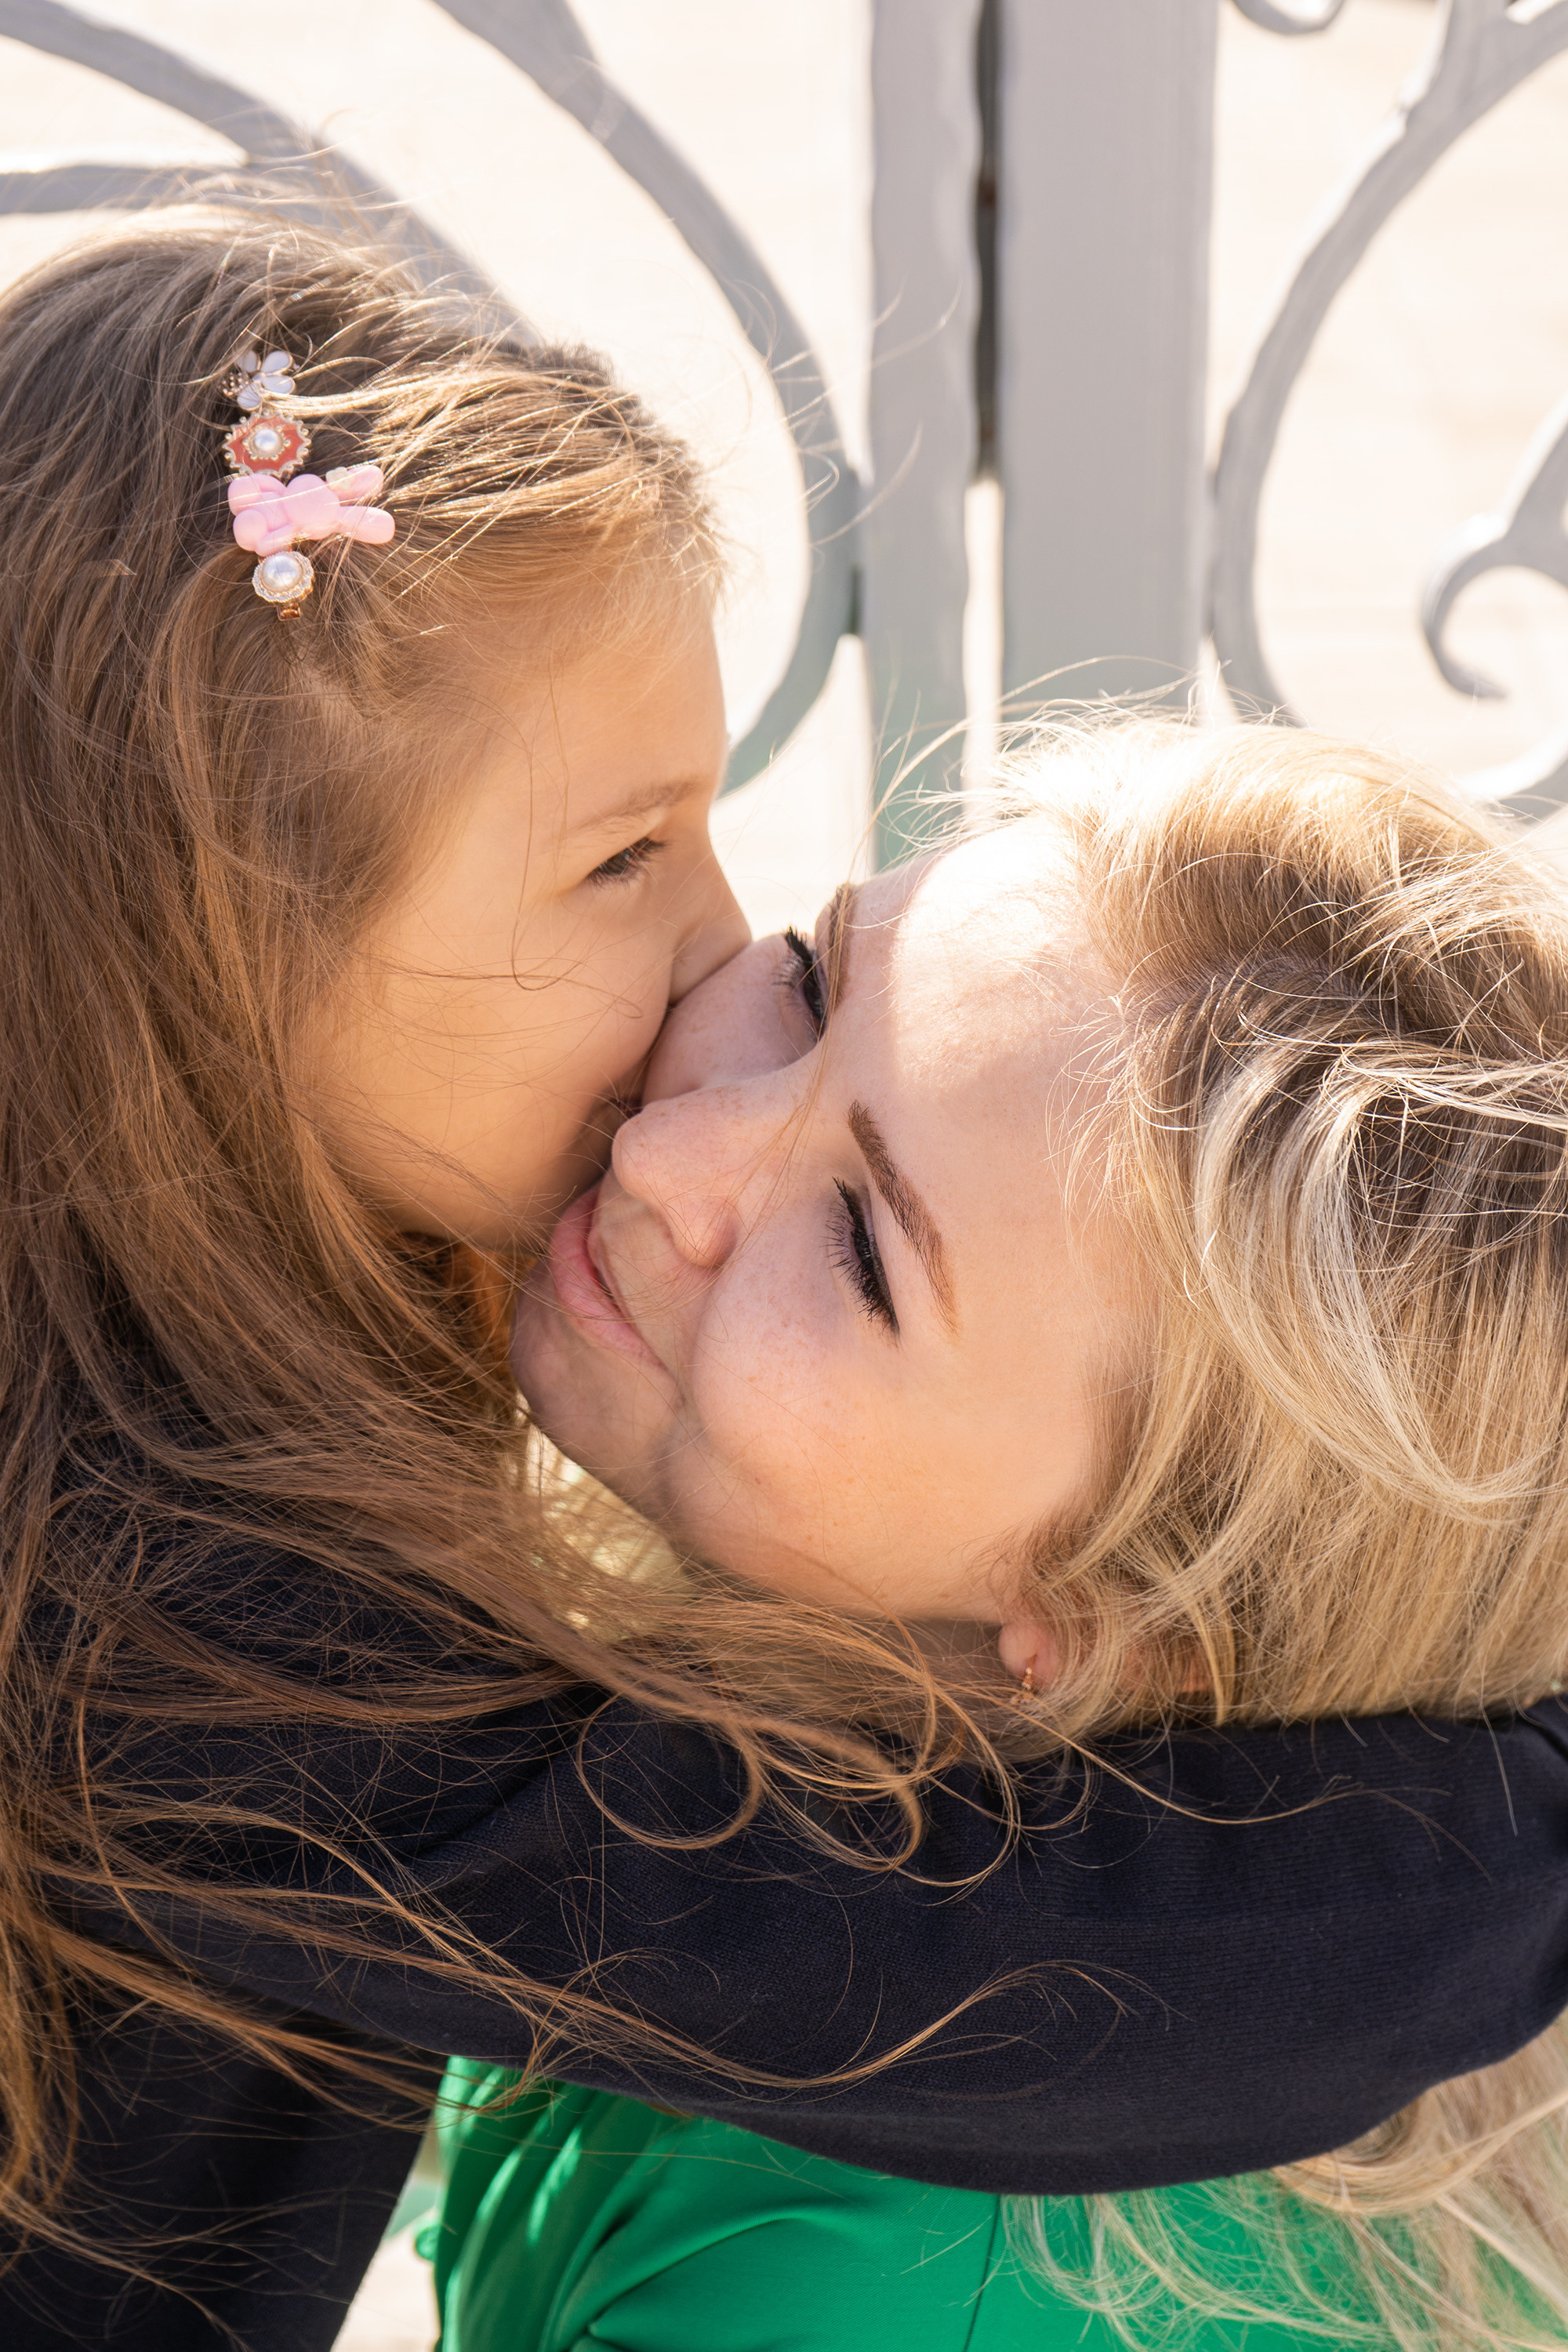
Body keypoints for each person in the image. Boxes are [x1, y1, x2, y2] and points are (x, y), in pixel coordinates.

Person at [0, 213, 1565, 2352]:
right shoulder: (145, 1606)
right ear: (201, 974)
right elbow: (1039, 1970)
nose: (680, 1097)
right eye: (632, 865)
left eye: (856, 1239)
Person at [451, 723, 1568, 2351]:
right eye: (808, 987)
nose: (662, 1151)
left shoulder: (847, 2292)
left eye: (855, 1253)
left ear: (1122, 1623)